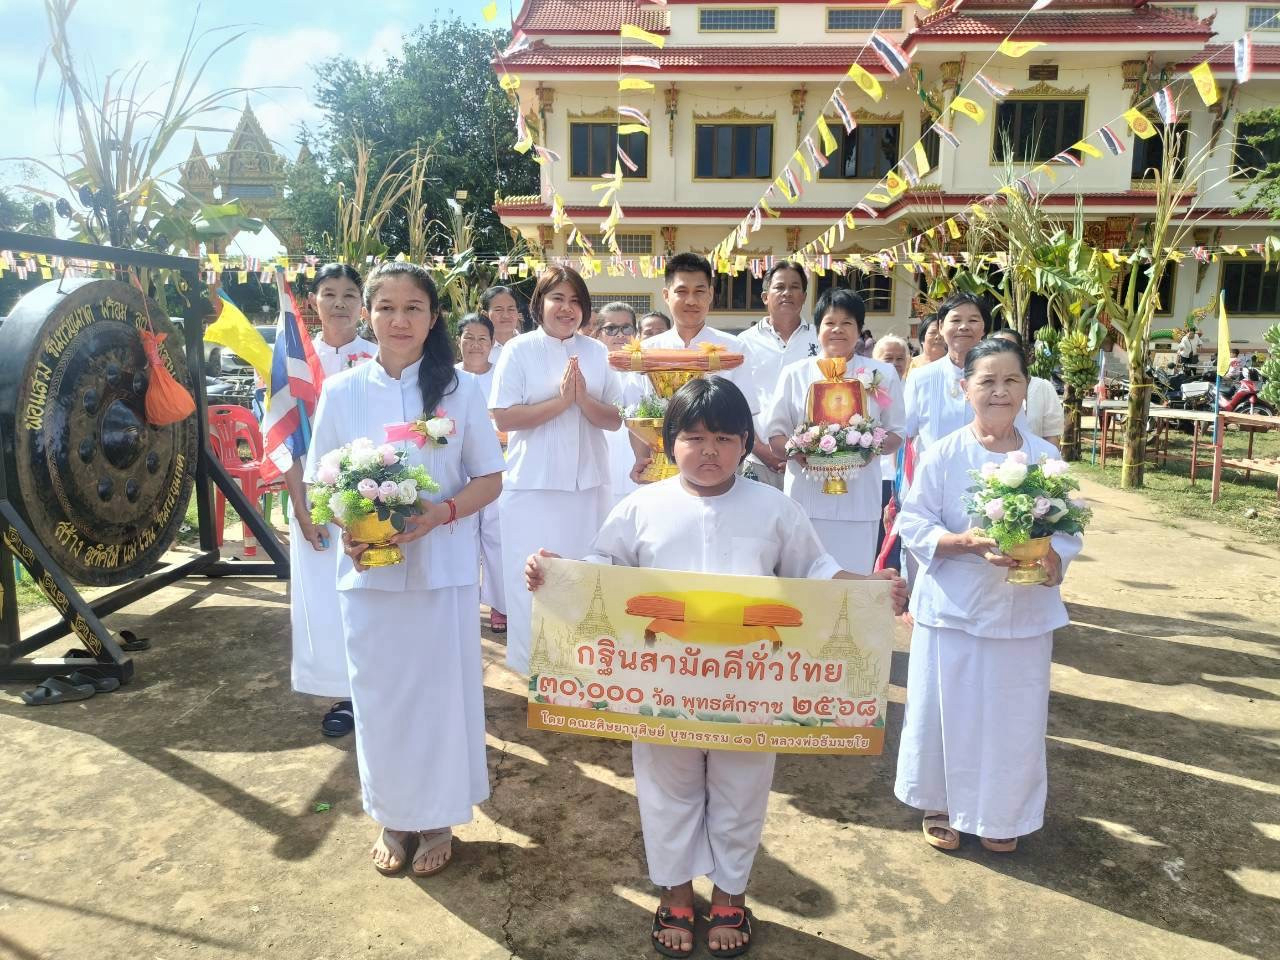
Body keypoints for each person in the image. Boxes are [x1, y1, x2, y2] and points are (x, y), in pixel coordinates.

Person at [525, 377, 906, 958]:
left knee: (743, 788)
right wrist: (558, 572)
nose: (709, 452)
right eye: (695, 437)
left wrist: (867, 585)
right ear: (669, 440)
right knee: (663, 788)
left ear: (747, 444)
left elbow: (816, 573)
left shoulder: (775, 507)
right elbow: (602, 567)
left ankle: (731, 895)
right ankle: (676, 893)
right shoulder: (640, 507)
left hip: (750, 691)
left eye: (725, 439)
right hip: (659, 690)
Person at [305, 262, 504, 876]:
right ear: (367, 314)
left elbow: (490, 479)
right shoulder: (342, 391)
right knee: (381, 696)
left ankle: (439, 817)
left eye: (413, 307)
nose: (399, 320)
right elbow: (320, 481)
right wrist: (349, 531)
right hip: (370, 576)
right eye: (386, 307)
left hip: (441, 572)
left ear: (433, 317)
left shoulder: (460, 392)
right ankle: (393, 817)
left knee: (440, 699)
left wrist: (441, 512)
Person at [895, 337, 1082, 855]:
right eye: (987, 381)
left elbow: (1068, 529)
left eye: (1011, 381)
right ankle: (941, 801)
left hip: (1021, 610)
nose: (999, 391)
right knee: (946, 707)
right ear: (965, 389)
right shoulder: (943, 454)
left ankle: (1003, 812)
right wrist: (964, 544)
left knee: (1012, 712)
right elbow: (914, 521)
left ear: (1026, 389)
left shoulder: (1044, 458)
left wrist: (1050, 558)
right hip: (952, 607)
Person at [491, 265, 623, 673]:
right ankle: (533, 670)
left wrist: (583, 400)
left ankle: (581, 670)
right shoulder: (519, 349)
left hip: (588, 487)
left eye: (575, 301)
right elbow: (503, 417)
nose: (566, 308)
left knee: (585, 578)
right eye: (557, 298)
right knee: (532, 579)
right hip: (532, 487)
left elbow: (614, 418)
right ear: (539, 304)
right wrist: (562, 402)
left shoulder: (598, 352)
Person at [281, 263, 378, 738]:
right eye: (329, 293)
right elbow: (285, 443)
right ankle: (343, 693)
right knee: (324, 599)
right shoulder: (292, 363)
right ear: (313, 302)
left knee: (373, 600)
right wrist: (303, 509)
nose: (339, 303)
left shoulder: (381, 359)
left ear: (363, 304)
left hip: (373, 504)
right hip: (317, 507)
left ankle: (377, 690)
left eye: (349, 294)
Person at [764, 289, 905, 575]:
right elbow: (775, 435)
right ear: (818, 329)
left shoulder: (881, 374)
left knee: (852, 585)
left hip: (859, 499)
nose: (837, 330)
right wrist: (798, 450)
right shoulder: (795, 373)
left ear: (859, 329)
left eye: (847, 323)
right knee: (804, 581)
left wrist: (868, 447)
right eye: (829, 322)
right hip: (806, 498)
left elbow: (897, 432)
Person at [636, 253, 758, 480]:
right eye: (681, 292)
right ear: (666, 295)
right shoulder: (646, 351)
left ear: (710, 295)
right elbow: (637, 413)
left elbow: (745, 414)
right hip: (661, 467)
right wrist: (640, 459)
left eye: (699, 291)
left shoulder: (733, 348)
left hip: (717, 467)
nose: (691, 300)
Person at [737, 260, 820, 489]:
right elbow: (738, 401)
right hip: (756, 458)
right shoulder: (744, 343)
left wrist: (800, 450)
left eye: (794, 287)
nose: (787, 293)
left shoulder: (819, 339)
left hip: (810, 460)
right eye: (780, 287)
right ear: (765, 297)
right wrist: (761, 449)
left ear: (804, 296)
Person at [905, 293, 1012, 454]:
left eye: (973, 320)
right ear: (941, 326)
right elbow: (905, 431)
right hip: (935, 475)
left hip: (988, 475)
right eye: (956, 320)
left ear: (984, 328)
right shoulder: (920, 378)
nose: (964, 326)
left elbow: (1017, 432)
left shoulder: (1004, 378)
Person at [456, 314, 507, 634]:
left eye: (482, 339)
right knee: (459, 536)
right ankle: (461, 604)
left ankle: (500, 604)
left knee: (496, 537)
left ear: (492, 344)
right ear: (458, 341)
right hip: (455, 469)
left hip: (496, 469)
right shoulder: (444, 377)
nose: (475, 345)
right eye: (468, 337)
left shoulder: (502, 376)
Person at [596, 302, 647, 508]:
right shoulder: (588, 370)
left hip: (637, 470)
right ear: (599, 334)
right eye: (610, 329)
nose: (620, 335)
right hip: (599, 469)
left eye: (626, 328)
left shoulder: (647, 372)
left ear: (636, 332)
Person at [872, 334, 911, 571]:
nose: (895, 363)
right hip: (878, 473)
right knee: (878, 533)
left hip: (904, 475)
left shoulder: (913, 386)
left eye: (900, 358)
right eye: (889, 358)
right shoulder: (871, 387)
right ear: (876, 360)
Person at [992, 328, 1064, 447]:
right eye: (994, 348)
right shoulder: (980, 388)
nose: (1001, 353)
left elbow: (1051, 437)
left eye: (1008, 347)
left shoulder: (1042, 388)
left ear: (1021, 353)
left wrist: (1046, 464)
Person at [480, 285, 523, 362]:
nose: (506, 315)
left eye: (511, 309)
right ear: (485, 315)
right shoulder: (478, 349)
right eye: (498, 310)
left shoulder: (528, 345)